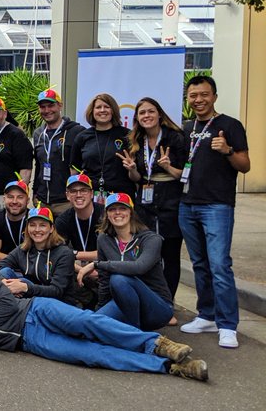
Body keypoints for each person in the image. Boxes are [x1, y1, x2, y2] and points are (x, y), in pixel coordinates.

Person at [0, 251, 208, 381]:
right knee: (91, 355)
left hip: (35, 309)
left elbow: (8, 306)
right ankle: (168, 367)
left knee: (90, 322)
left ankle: (157, 344)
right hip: (28, 339)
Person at [178, 75, 250, 349]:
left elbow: (245, 165)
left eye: (204, 95)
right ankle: (206, 315)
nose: (199, 100)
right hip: (187, 204)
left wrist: (228, 150)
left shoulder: (229, 125)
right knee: (200, 264)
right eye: (193, 95)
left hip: (217, 205)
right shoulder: (186, 128)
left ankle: (228, 324)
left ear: (214, 96)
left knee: (220, 265)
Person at [76, 193, 172, 331]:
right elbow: (104, 280)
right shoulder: (104, 239)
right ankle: (127, 332)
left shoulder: (151, 239)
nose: (117, 213)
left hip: (157, 307)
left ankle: (133, 333)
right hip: (123, 304)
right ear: (107, 214)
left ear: (131, 213)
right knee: (91, 326)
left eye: (122, 208)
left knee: (119, 279)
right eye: (112, 209)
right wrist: (100, 312)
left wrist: (96, 264)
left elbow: (140, 267)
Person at [123, 96, 188, 301]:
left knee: (170, 255)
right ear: (137, 118)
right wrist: (132, 170)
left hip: (171, 201)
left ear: (159, 114)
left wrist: (168, 166)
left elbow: (185, 174)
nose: (147, 116)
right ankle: (151, 300)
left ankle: (168, 302)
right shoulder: (135, 141)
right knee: (148, 255)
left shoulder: (176, 137)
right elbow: (137, 178)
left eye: (150, 111)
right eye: (142, 113)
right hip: (145, 203)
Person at [0, 206, 77, 305]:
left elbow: (57, 291)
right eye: (32, 225)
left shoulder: (64, 253)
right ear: (27, 228)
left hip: (58, 303)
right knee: (4, 272)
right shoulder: (22, 249)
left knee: (22, 281)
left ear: (51, 228)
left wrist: (25, 287)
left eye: (42, 225)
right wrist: (3, 282)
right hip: (31, 299)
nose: (37, 229)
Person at [31, 89, 84, 216]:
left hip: (66, 202)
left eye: (51, 105)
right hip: (43, 201)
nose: (47, 110)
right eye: (43, 107)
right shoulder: (38, 133)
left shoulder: (76, 131)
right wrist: (35, 193)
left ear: (60, 105)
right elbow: (38, 166)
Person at [70, 93, 134, 197]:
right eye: (98, 107)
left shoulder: (127, 136)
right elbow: (74, 171)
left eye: (107, 107)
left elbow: (135, 172)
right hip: (90, 198)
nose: (102, 110)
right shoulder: (82, 137)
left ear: (113, 110)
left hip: (121, 198)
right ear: (92, 111)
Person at [55, 173, 101, 309]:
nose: (78, 195)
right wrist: (82, 270)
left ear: (91, 193)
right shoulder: (63, 220)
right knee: (58, 270)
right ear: (67, 195)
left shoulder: (104, 214)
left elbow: (112, 251)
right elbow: (58, 254)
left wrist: (76, 255)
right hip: (79, 265)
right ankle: (88, 300)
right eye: (73, 191)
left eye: (83, 190)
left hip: (104, 263)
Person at [0, 179, 31, 263]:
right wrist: (20, 262)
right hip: (4, 264)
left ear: (28, 200)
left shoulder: (34, 220)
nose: (15, 201)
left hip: (32, 266)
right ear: (4, 199)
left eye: (20, 197)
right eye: (10, 197)